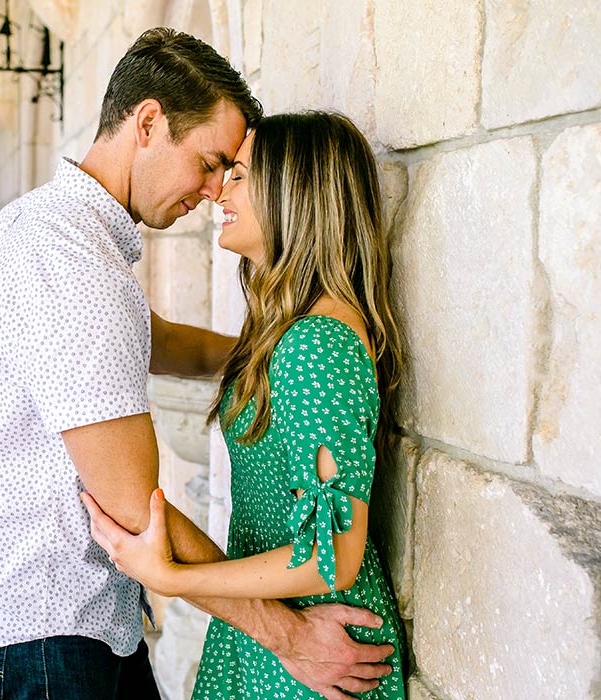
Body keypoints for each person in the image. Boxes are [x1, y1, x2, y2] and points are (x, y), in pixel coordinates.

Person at [0, 26, 394, 699]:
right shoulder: (70, 259)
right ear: (148, 122)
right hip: (46, 633)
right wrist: (289, 636)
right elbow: (130, 503)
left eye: (235, 172)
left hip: (71, 626)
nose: (215, 190)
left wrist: (271, 355)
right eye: (212, 162)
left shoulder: (62, 236)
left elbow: (150, 338)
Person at [82, 111, 407, 699]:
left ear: (294, 194)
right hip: (277, 629)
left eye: (239, 174)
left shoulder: (319, 343)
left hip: (316, 641)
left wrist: (173, 577)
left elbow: (334, 552)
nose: (219, 191)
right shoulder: (293, 335)